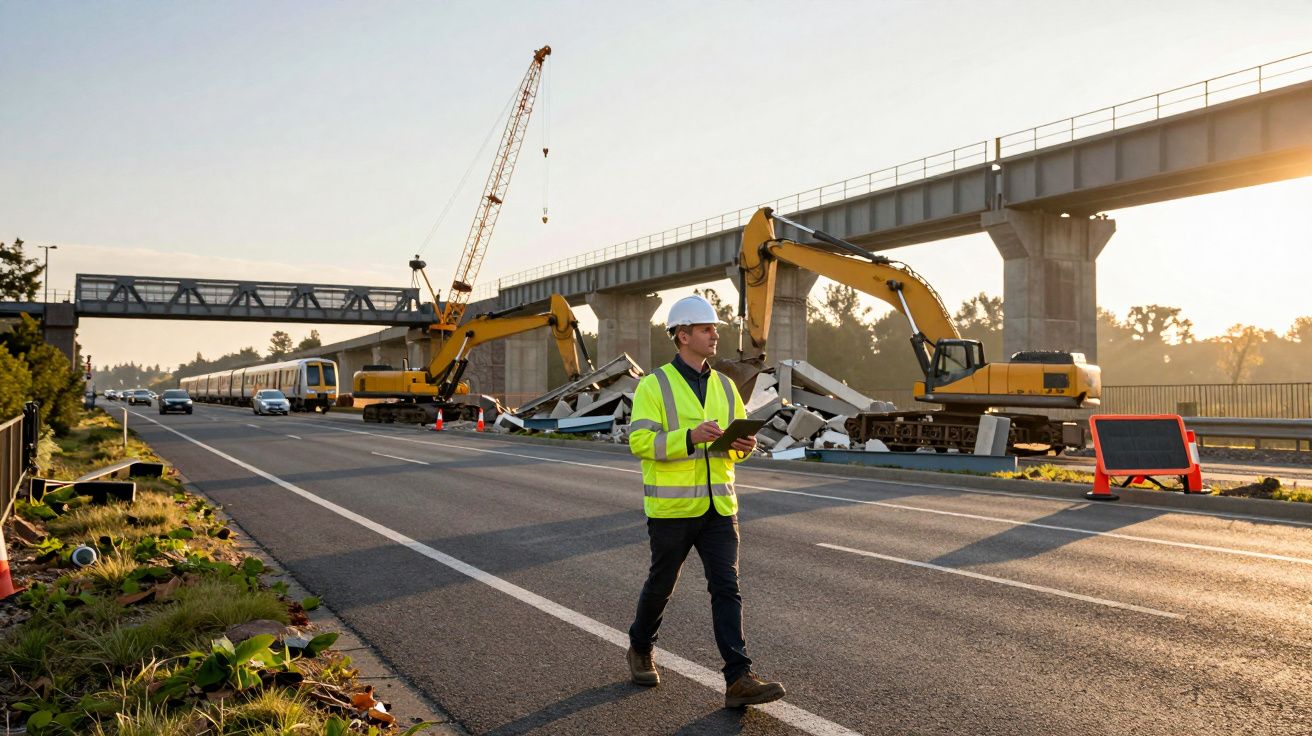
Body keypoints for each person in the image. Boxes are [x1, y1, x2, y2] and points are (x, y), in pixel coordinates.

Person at [625, 294, 786, 709]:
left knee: (727, 587)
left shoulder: (725, 385)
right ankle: (640, 646)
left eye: (714, 329)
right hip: (674, 509)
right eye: (707, 329)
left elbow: (732, 448)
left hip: (720, 508)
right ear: (683, 336)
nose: (716, 335)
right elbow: (640, 442)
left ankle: (738, 677)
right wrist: (689, 438)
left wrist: (743, 445)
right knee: (662, 585)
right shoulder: (654, 385)